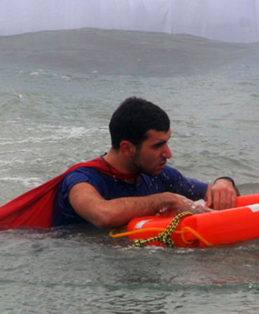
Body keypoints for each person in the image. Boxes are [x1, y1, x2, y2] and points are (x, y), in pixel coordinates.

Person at [51, 97, 239, 228]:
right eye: (158, 145)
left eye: (167, 142)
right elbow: (103, 215)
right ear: (127, 149)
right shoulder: (80, 181)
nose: (168, 153)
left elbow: (210, 194)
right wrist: (165, 199)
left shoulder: (162, 176)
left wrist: (224, 183)